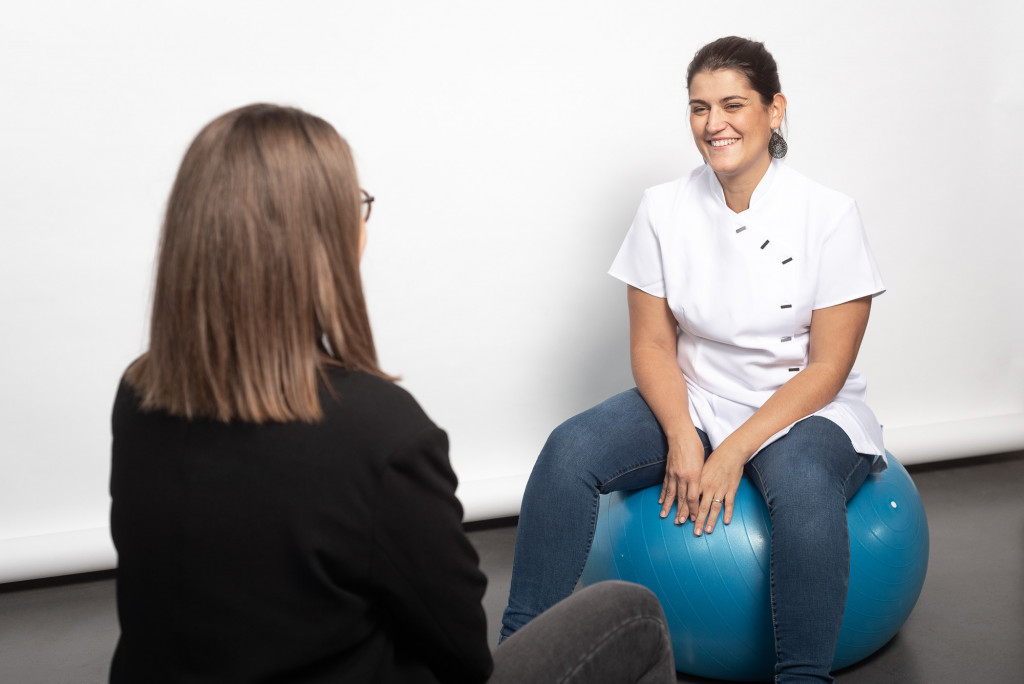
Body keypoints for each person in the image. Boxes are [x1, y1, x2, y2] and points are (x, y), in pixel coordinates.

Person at [109, 103, 676, 684]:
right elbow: (461, 653)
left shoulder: (139, 393)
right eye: (356, 205)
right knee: (633, 612)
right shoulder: (376, 430)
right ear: (324, 239)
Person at [501, 36, 887, 683]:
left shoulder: (828, 214)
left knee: (802, 488)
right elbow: (652, 343)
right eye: (699, 108)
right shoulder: (663, 208)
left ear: (774, 109)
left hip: (803, 405)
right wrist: (683, 432)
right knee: (569, 451)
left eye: (732, 104)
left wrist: (731, 450)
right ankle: (515, 658)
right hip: (698, 394)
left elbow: (828, 367)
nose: (714, 124)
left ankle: (802, 678)